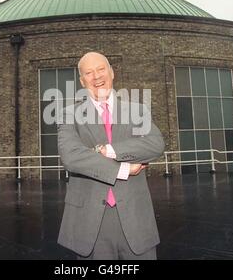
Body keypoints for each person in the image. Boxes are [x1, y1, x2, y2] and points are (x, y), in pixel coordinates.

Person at [57, 52, 165, 260]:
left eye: (101, 69)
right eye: (88, 73)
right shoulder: (69, 114)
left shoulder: (137, 111)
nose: (96, 76)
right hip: (91, 225)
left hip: (136, 219)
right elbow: (71, 157)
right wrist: (123, 169)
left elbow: (155, 143)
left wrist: (107, 151)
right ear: (82, 81)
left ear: (112, 72)